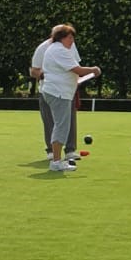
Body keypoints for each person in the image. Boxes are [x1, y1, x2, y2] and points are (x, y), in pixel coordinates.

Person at [39, 25, 99, 171]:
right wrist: (94, 70)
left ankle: (57, 160)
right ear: (61, 38)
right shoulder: (59, 50)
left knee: (61, 125)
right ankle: (56, 162)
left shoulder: (56, 49)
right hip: (59, 93)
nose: (72, 41)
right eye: (70, 37)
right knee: (61, 126)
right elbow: (77, 70)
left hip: (58, 91)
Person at [30, 22, 78, 160]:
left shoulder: (70, 45)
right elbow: (33, 71)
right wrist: (46, 75)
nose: (71, 40)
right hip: (49, 90)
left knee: (69, 120)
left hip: (66, 89)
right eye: (68, 36)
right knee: (50, 121)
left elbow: (74, 65)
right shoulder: (43, 48)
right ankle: (52, 152)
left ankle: (70, 150)